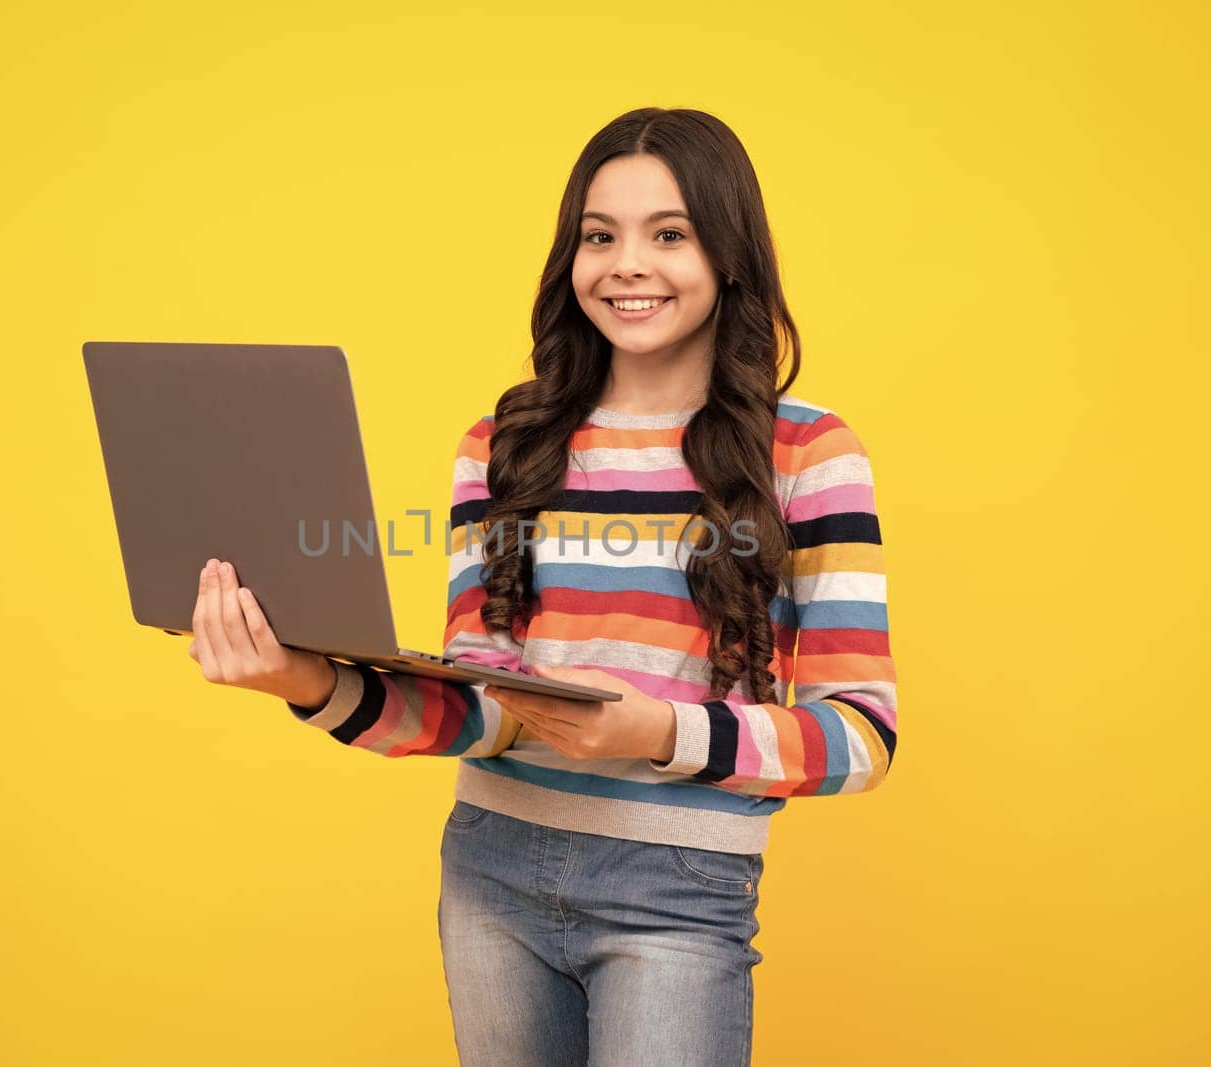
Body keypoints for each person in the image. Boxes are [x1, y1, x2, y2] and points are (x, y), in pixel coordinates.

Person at [186, 107, 898, 1067]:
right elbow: (485, 709)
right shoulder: (504, 444)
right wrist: (303, 681)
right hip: (490, 871)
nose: (626, 264)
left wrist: (660, 733)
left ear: (729, 256)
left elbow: (862, 734)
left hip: (679, 893)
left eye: (670, 234)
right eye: (598, 236)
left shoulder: (807, 452)